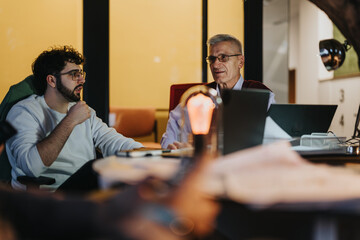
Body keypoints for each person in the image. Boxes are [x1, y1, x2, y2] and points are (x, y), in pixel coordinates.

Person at [5, 46, 143, 191]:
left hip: (84, 191)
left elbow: (114, 142)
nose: (82, 80)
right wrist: (70, 120)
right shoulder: (25, 112)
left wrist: (154, 155)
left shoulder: (84, 111)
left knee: (131, 182)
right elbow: (31, 167)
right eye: (74, 74)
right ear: (52, 80)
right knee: (95, 171)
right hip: (48, 198)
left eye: (81, 74)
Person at [161, 34, 276, 149]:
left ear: (240, 61)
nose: (215, 65)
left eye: (223, 57)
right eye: (212, 59)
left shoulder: (261, 95)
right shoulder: (198, 97)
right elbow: (170, 140)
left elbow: (276, 141)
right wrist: (175, 148)